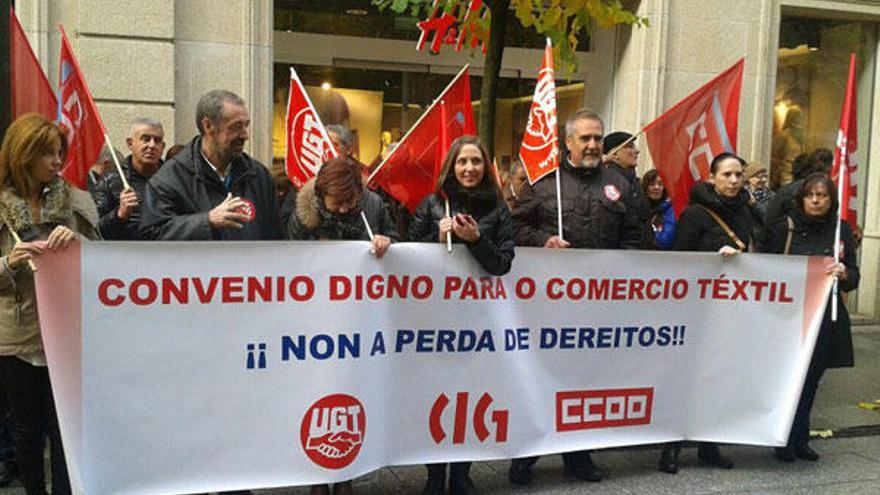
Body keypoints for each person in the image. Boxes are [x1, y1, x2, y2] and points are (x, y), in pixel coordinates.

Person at [509, 109, 641, 487]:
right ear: (567, 142)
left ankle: (578, 454)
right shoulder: (544, 183)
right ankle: (526, 455)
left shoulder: (619, 183)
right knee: (539, 378)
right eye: (585, 138)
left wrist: (621, 271)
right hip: (550, 306)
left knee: (585, 381)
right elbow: (515, 226)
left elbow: (634, 234)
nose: (593, 145)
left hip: (599, 305)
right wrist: (543, 242)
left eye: (598, 138)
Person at [0, 114, 100, 495]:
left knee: (66, 431)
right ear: (23, 155)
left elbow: (103, 265)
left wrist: (75, 241)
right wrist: (8, 264)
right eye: (47, 153)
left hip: (67, 333)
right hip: (16, 337)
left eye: (60, 152)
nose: (58, 161)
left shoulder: (76, 201)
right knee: (27, 431)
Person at [409, 135, 513, 495]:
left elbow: (502, 264)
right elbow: (408, 254)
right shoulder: (433, 204)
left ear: (486, 167)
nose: (469, 168)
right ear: (451, 166)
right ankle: (435, 475)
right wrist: (433, 241)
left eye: (476, 162)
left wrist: (475, 240)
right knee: (436, 394)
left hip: (478, 318)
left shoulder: (499, 210)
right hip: (437, 318)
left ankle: (462, 474)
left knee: (470, 394)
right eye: (462, 162)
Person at [663, 152, 752, 473]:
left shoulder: (746, 213)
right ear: (711, 178)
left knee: (719, 379)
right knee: (685, 380)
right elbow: (679, 261)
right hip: (696, 312)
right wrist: (714, 258)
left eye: (738, 175)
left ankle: (709, 445)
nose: (733, 181)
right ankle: (670, 447)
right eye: (726, 175)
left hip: (730, 311)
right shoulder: (695, 214)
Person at [761, 173, 858, 462]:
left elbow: (854, 276)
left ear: (831, 200)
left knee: (812, 378)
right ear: (801, 198)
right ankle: (782, 436)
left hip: (825, 317)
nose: (816, 201)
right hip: (789, 316)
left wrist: (845, 274)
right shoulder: (784, 229)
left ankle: (799, 437)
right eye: (810, 195)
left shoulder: (841, 231)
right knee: (788, 378)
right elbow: (764, 267)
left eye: (822, 196)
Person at [140, 90, 283, 241]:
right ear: (208, 126)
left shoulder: (258, 176)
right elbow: (153, 236)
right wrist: (206, 221)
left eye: (246, 125)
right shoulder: (169, 180)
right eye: (236, 126)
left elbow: (276, 239)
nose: (245, 135)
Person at [287, 157, 395, 256]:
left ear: (359, 192)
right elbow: (291, 256)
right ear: (322, 195)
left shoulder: (373, 205)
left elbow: (398, 246)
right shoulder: (303, 215)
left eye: (349, 201)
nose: (343, 209)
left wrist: (387, 243)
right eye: (337, 203)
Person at [93, 118, 166, 240]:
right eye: (146, 139)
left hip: (167, 254)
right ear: (130, 143)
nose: (152, 145)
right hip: (125, 256)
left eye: (157, 140)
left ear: (163, 146)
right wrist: (119, 215)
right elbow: (95, 230)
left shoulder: (174, 178)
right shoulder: (111, 180)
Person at [641, 169, 676, 250]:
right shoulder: (639, 207)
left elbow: (665, 240)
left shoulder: (670, 210)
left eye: (660, 184)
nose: (656, 188)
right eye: (652, 184)